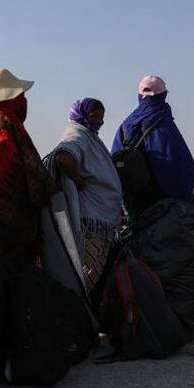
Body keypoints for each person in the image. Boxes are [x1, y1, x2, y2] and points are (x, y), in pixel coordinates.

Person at [0, 68, 55, 268]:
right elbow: (37, 182)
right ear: (10, 102)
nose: (24, 101)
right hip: (9, 234)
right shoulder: (8, 136)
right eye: (21, 96)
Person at [46, 98, 123, 293]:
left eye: (101, 117)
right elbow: (64, 156)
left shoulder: (89, 137)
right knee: (85, 277)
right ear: (81, 115)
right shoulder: (77, 134)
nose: (99, 121)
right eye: (94, 116)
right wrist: (79, 179)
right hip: (91, 223)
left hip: (98, 221)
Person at [111, 75, 194, 221]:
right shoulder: (163, 124)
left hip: (132, 199)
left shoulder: (126, 125)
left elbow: (115, 158)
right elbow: (178, 167)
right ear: (163, 96)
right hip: (159, 203)